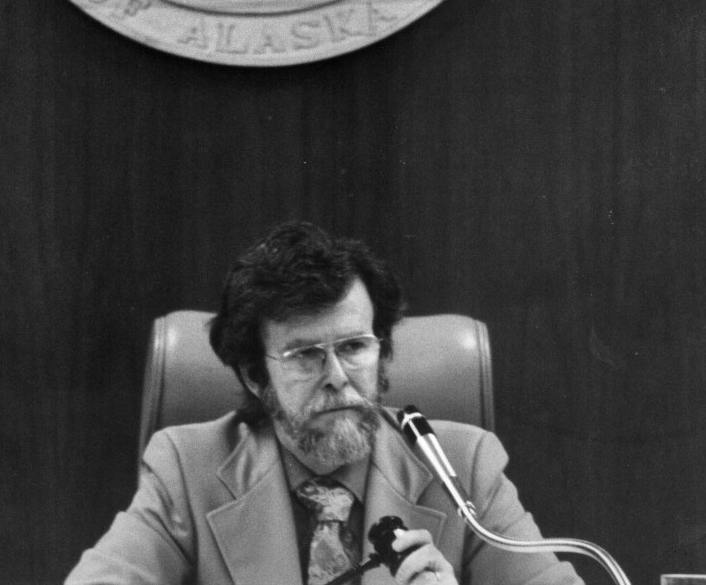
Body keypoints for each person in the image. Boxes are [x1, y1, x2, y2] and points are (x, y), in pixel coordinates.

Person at [66, 223, 584, 585]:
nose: (337, 377)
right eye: (305, 355)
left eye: (354, 347)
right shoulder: (187, 468)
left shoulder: (462, 465)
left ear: (382, 353)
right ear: (254, 374)